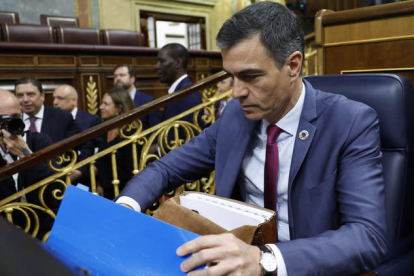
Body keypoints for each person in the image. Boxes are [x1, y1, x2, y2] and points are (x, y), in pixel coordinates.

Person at [117, 2, 387, 276]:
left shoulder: (350, 121)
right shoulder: (235, 116)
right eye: (231, 76)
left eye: (250, 76)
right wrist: (126, 207)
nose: (235, 93)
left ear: (293, 65)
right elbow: (165, 168)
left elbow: (368, 237)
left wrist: (265, 260)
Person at [14, 78, 92, 183]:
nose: (25, 99)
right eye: (20, 95)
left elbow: (85, 143)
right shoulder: (13, 121)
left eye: (30, 94)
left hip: (59, 181)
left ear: (42, 96)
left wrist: (80, 170)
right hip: (23, 184)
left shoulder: (62, 117)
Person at [0, 89, 55, 237]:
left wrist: (27, 155)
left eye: (16, 117)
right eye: (4, 119)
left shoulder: (39, 141)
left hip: (41, 230)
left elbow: (56, 188)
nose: (11, 124)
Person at [96, 86, 136, 200]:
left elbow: (132, 170)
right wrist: (100, 184)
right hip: (106, 192)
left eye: (106, 104)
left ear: (119, 107)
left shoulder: (130, 134)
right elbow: (103, 162)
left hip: (125, 193)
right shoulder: (106, 130)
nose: (101, 107)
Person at [155, 43, 203, 129]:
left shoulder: (188, 94)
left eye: (162, 61)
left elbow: (191, 136)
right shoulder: (180, 91)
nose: (157, 66)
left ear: (178, 63)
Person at [113, 64, 161, 130]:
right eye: (115, 76)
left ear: (132, 79)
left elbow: (155, 129)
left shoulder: (148, 100)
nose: (117, 78)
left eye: (122, 75)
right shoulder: (112, 101)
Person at [53, 84, 102, 149]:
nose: (55, 102)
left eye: (60, 98)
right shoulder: (50, 120)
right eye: (54, 98)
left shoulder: (91, 121)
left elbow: (98, 148)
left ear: (74, 101)